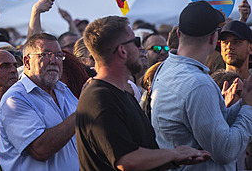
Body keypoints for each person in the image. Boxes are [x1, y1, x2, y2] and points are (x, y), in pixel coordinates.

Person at [76, 16, 210, 170]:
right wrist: (174, 154)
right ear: (122, 50)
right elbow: (127, 161)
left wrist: (177, 157)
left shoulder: (123, 95)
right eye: (137, 42)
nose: (141, 49)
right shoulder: (98, 98)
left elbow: (142, 153)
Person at [151, 0, 252, 170]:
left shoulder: (166, 68)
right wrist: (248, 108)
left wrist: (235, 106)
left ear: (179, 33)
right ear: (214, 38)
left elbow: (199, 127)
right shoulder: (198, 84)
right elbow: (225, 152)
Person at [0, 33, 79, 170]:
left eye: (59, 55)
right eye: (45, 54)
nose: (54, 61)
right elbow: (40, 149)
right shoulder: (15, 99)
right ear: (27, 62)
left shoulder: (63, 91)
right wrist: (83, 109)